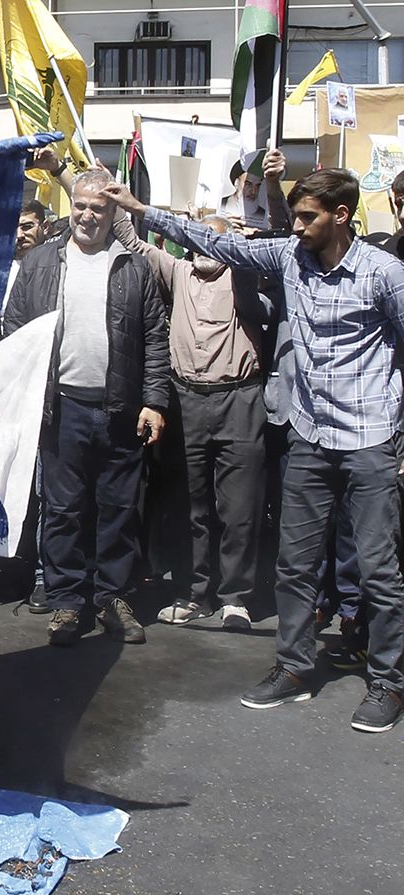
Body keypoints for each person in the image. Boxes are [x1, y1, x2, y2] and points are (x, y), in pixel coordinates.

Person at [106, 168, 404, 733]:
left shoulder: (385, 274)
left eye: (308, 216)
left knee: (377, 571)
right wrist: (141, 210)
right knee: (294, 565)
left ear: (341, 215)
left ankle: (388, 681)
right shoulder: (291, 257)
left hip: (369, 442)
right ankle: (293, 667)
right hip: (311, 439)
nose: (297, 226)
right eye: (293, 216)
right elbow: (214, 242)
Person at [0, 168, 168, 648]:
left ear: (114, 212)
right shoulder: (40, 264)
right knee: (63, 511)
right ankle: (67, 603)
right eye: (80, 206)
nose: (88, 215)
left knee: (118, 510)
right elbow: (14, 328)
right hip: (61, 411)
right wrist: (27, 397)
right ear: (69, 206)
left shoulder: (134, 268)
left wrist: (154, 401)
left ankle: (113, 597)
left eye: (98, 207)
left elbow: (155, 339)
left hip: (120, 411)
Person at [114, 203, 267, 631]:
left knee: (239, 508)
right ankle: (193, 593)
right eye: (196, 239)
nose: (201, 248)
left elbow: (265, 241)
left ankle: (235, 598)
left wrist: (242, 233)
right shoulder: (177, 272)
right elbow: (131, 239)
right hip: (186, 401)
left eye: (211, 239)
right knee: (190, 506)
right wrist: (110, 192)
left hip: (239, 398)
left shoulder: (242, 273)